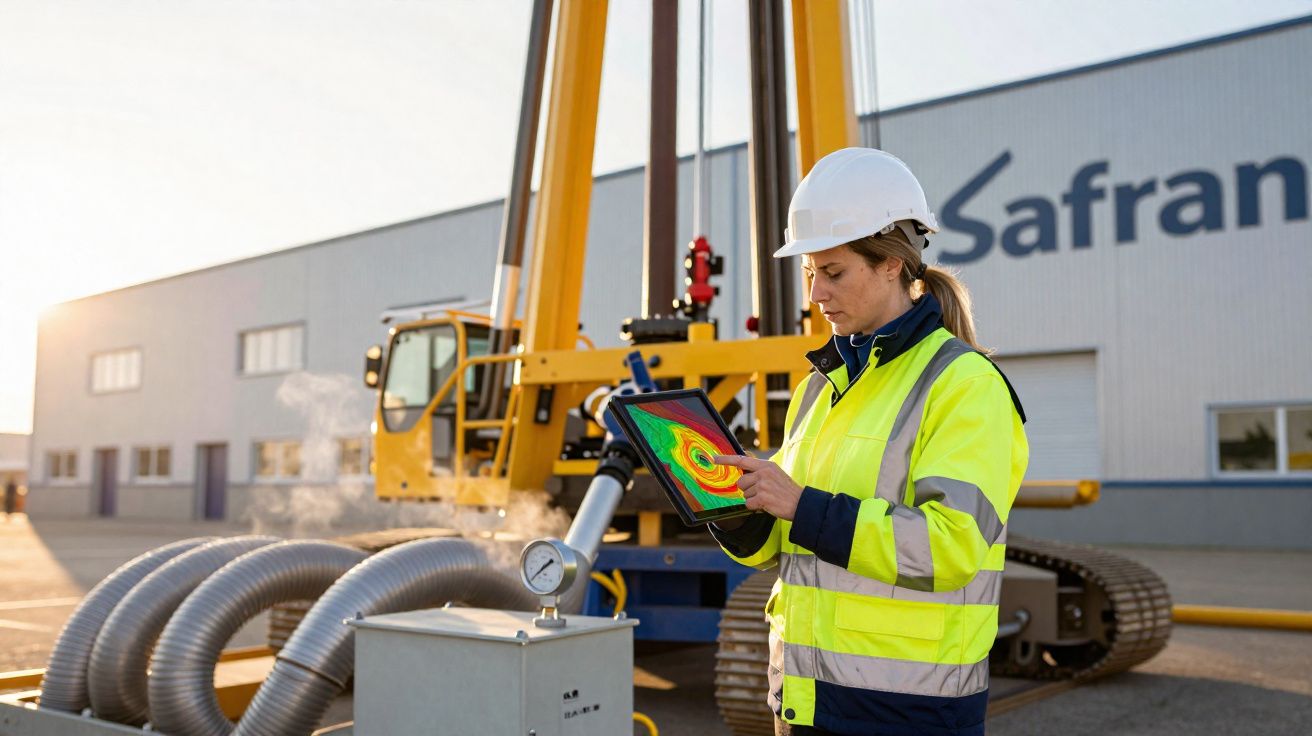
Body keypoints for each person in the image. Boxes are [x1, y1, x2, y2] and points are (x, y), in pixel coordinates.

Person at [710, 147, 1028, 736]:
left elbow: (949, 547)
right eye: (810, 274)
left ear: (892, 264)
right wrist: (732, 507)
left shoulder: (964, 384)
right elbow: (782, 544)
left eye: (833, 273)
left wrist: (801, 506)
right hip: (804, 700)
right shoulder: (820, 386)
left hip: (906, 711)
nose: (816, 294)